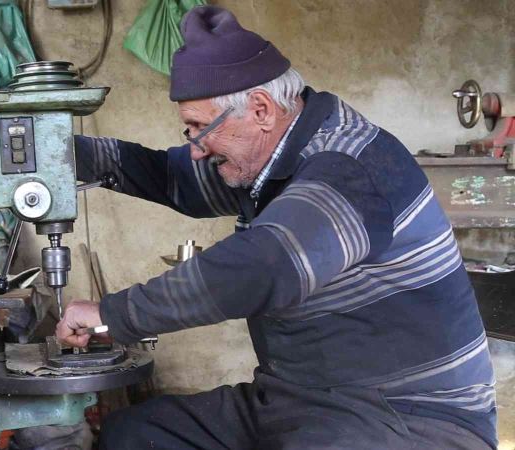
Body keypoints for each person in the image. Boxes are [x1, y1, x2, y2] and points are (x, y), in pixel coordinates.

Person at [56, 5, 497, 450]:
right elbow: (170, 178)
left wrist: (114, 315)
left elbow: (264, 267)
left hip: (407, 416)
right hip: (298, 400)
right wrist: (56, 151)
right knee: (135, 435)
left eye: (197, 129)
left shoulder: (349, 166)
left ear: (262, 110)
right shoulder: (264, 161)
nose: (194, 149)